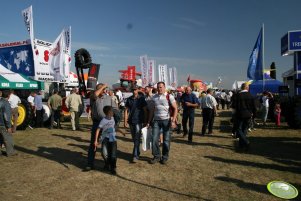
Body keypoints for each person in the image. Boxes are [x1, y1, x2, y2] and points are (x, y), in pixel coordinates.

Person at [85, 83, 117, 171]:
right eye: (102, 89)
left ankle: (108, 163)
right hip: (97, 123)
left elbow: (115, 108)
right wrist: (102, 86)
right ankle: (90, 164)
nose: (104, 91)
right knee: (93, 144)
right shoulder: (93, 97)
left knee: (108, 144)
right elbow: (95, 94)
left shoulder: (109, 98)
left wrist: (112, 116)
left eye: (104, 89)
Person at [147, 81, 178, 165]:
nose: (159, 89)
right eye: (158, 87)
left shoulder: (169, 96)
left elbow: (175, 108)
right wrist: (149, 122)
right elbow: (152, 110)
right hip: (156, 120)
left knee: (166, 140)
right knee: (154, 139)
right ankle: (156, 156)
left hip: (166, 120)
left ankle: (164, 157)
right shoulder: (154, 97)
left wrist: (173, 120)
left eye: (161, 87)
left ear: (164, 88)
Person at [124, 85, 147, 163]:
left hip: (138, 121)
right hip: (131, 121)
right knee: (134, 139)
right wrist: (125, 121)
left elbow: (145, 110)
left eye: (135, 90)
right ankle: (137, 152)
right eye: (133, 90)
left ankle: (135, 156)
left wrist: (145, 121)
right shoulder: (129, 99)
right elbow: (126, 110)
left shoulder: (141, 99)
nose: (134, 91)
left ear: (138, 90)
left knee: (137, 139)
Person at [94, 106, 118, 175]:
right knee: (104, 153)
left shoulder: (113, 118)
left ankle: (113, 168)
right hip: (105, 139)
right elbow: (98, 130)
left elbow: (114, 127)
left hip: (113, 139)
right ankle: (107, 164)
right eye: (111, 111)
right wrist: (96, 140)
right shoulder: (103, 121)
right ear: (108, 113)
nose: (113, 112)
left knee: (113, 154)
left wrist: (120, 131)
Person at [234, 83, 256, 151]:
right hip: (248, 114)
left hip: (240, 114)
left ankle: (246, 142)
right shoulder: (251, 95)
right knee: (244, 129)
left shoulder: (238, 95)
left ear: (241, 87)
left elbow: (234, 106)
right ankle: (242, 145)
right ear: (247, 88)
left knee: (238, 129)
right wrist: (254, 115)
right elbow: (254, 107)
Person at [0, 90, 17, 156]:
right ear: (9, 95)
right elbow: (6, 116)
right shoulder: (6, 103)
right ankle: (10, 152)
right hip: (3, 124)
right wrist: (9, 126)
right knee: (8, 138)